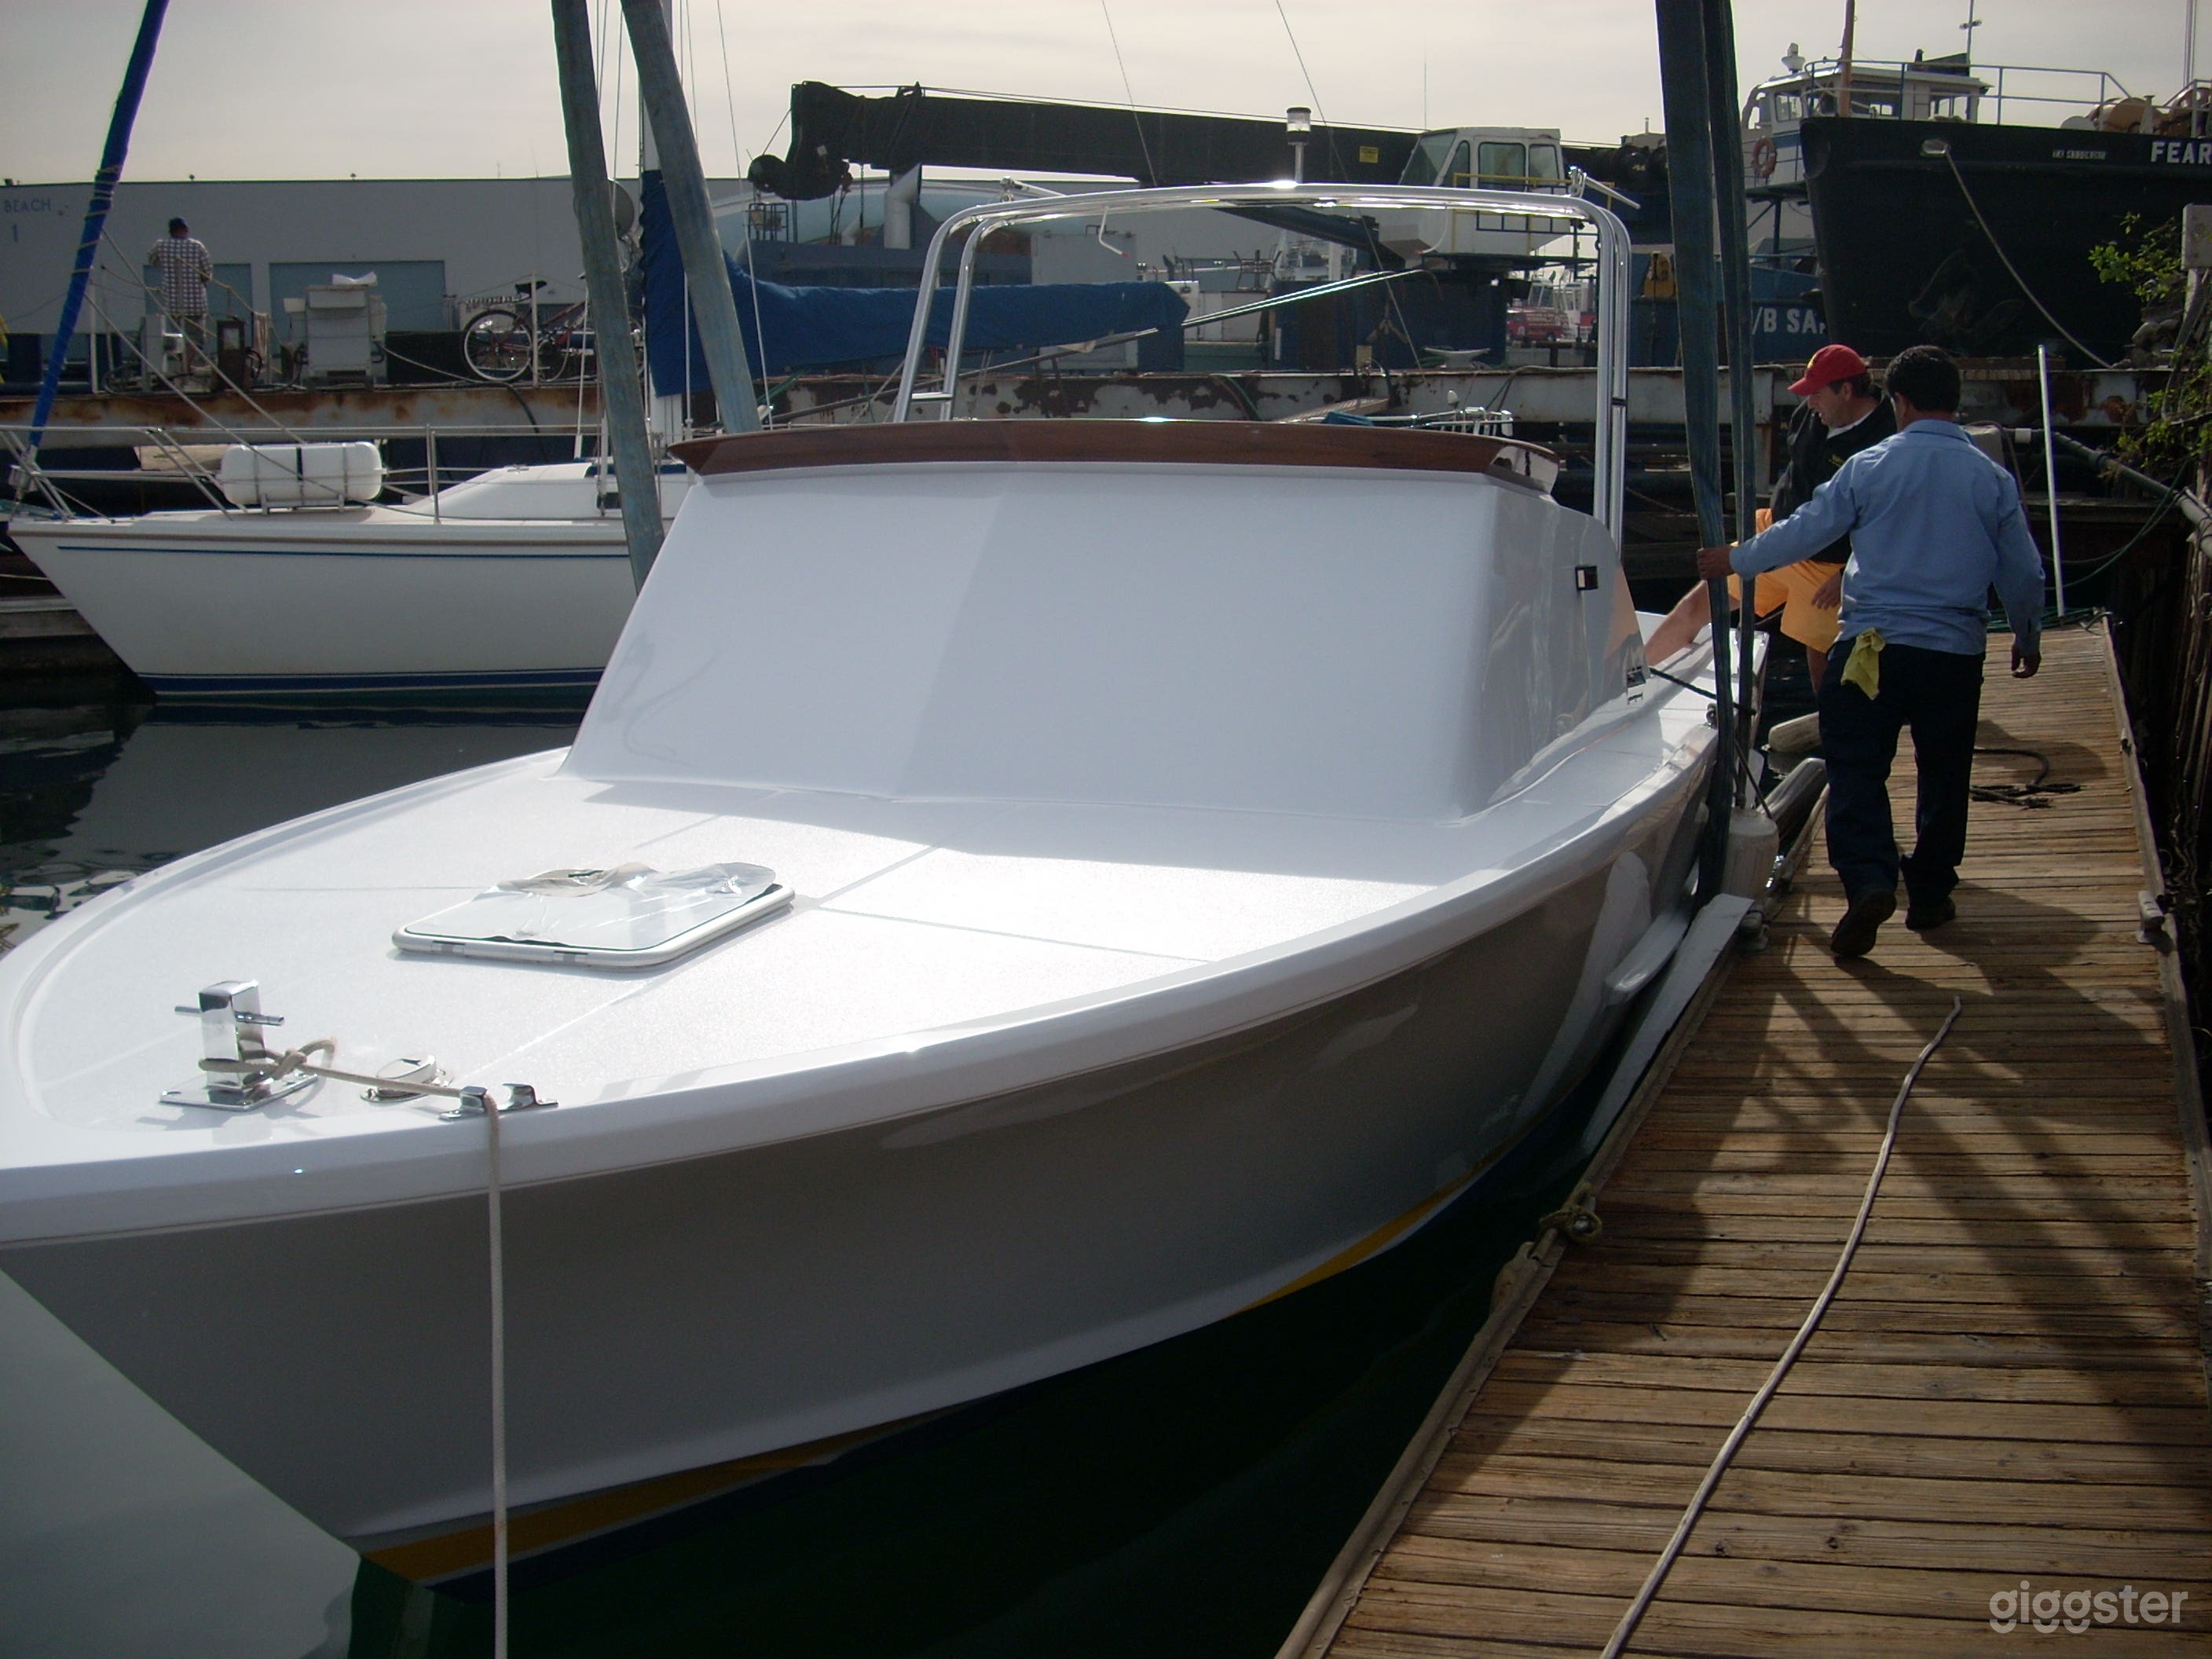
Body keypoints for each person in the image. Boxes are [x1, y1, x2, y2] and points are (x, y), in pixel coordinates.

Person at [1694, 344, 2045, 958]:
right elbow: (2022, 571)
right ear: (1954, 402)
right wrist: (2027, 634)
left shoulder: (1870, 466)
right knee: (1944, 773)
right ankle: (1930, 894)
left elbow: (1806, 529)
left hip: (1871, 647)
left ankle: (1869, 880)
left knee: (1856, 765)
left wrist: (1738, 560)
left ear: (1900, 402)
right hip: (1953, 650)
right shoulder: (1990, 478)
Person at [1646, 342, 1895, 683]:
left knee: (1822, 657)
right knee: (1698, 605)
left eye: (1817, 394)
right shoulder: (1811, 416)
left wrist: (1849, 572)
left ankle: (1830, 716)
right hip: (1778, 532)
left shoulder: (1886, 439)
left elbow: (1890, 519)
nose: (1810, 403)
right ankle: (1630, 683)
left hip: (1829, 563)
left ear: (1847, 391)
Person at [148, 217, 214, 372]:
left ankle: (184, 366)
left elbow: (152, 261)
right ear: (186, 229)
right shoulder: (197, 247)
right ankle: (186, 367)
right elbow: (207, 274)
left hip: (173, 303)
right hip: (196, 303)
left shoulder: (161, 246)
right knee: (197, 339)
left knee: (179, 337)